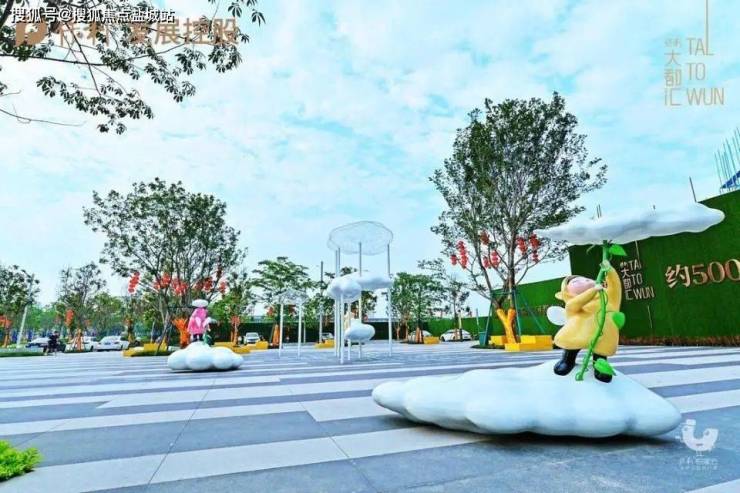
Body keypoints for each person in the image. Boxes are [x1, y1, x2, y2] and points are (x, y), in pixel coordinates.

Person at [552, 262, 622, 383]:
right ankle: (567, 361)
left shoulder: (608, 298)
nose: (585, 281)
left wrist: (609, 270)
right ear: (566, 292)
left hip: (602, 335)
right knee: (571, 348)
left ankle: (600, 367)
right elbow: (573, 305)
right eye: (576, 282)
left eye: (587, 279)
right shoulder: (572, 303)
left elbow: (615, 286)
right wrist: (592, 291)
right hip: (577, 334)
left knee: (600, 351)